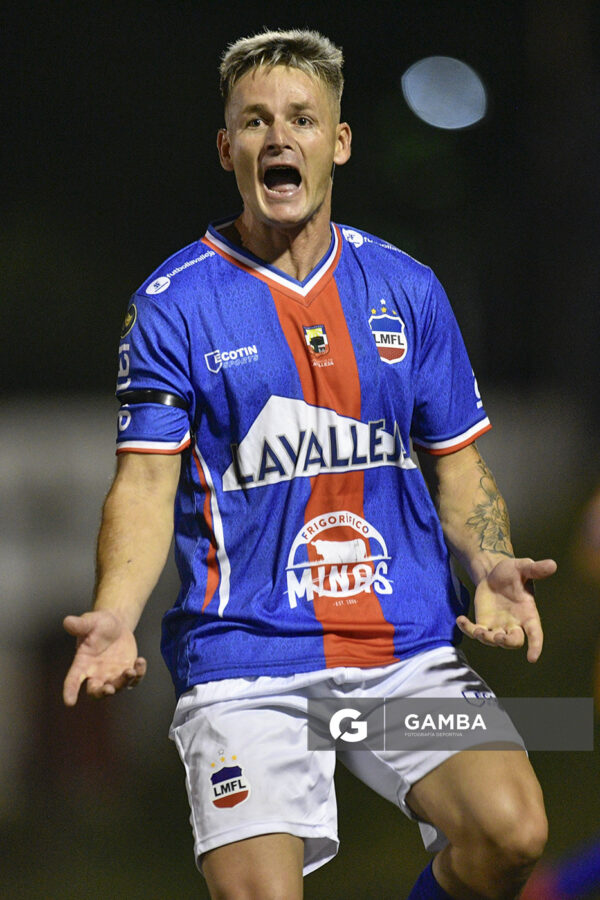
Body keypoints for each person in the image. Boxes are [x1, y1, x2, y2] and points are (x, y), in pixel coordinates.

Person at [63, 29, 557, 900]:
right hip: (246, 659)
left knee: (512, 833)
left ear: (340, 142)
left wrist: (489, 563)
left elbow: (458, 466)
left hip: (400, 649)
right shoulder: (175, 305)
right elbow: (144, 484)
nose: (278, 137)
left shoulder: (407, 288)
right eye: (255, 121)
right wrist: (115, 613)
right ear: (227, 148)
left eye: (301, 118)